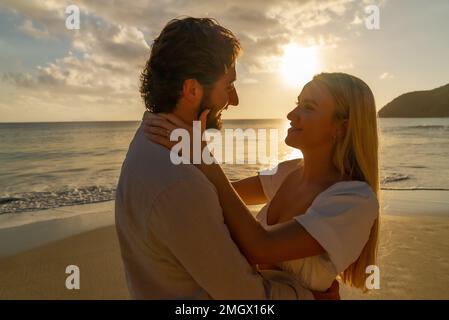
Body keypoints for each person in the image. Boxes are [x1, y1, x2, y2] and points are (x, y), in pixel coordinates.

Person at [115, 17, 339, 299]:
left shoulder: (147, 143)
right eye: (228, 86)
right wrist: (310, 298)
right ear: (192, 90)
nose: (234, 100)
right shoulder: (180, 181)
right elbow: (245, 296)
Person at [145, 72, 380, 293]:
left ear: (341, 128)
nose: (291, 115)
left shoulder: (354, 200)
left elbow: (262, 248)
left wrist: (203, 157)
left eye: (308, 108)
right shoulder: (290, 172)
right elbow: (221, 195)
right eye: (297, 103)